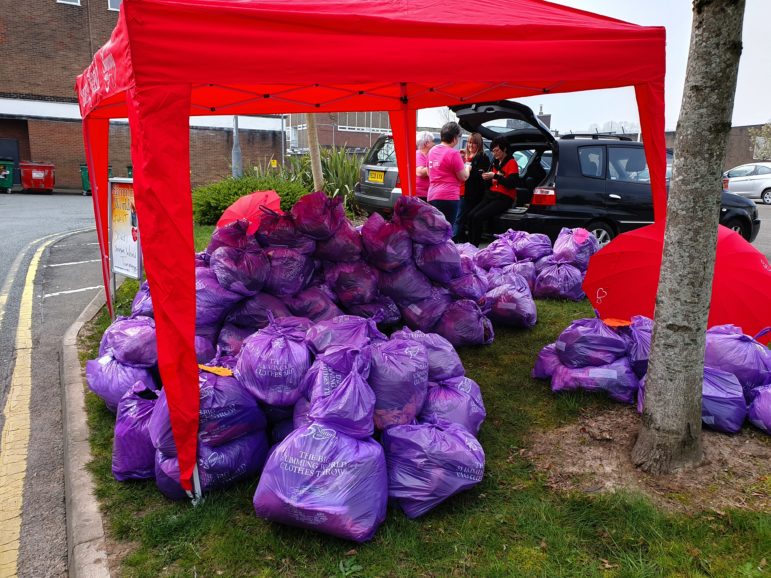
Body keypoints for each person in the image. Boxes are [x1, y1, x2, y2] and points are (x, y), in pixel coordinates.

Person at [467, 137, 520, 246]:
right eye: (493, 151)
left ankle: (473, 246)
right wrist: (486, 178)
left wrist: (495, 176)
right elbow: (491, 184)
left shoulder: (511, 162)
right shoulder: (495, 163)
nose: (494, 153)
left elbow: (512, 183)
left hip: (504, 197)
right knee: (470, 215)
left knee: (478, 217)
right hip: (491, 195)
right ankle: (469, 244)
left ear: (504, 149)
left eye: (497, 150)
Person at [427, 122, 469, 226]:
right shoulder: (454, 153)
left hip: (432, 196)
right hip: (448, 197)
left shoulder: (432, 151)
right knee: (446, 230)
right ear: (454, 138)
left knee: (435, 230)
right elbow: (463, 176)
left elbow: (429, 172)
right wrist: (467, 167)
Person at [454, 132, 491, 241]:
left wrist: (470, 169)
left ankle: (454, 240)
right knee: (460, 218)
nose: (470, 145)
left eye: (474, 143)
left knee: (460, 219)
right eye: (469, 142)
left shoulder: (483, 157)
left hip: (471, 194)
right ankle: (460, 240)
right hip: (459, 191)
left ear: (479, 144)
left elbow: (481, 176)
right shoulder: (463, 156)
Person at [415, 131, 435, 200]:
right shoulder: (418, 155)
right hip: (420, 195)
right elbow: (420, 172)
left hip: (427, 194)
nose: (434, 144)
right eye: (432, 141)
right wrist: (435, 165)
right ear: (426, 143)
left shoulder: (427, 155)